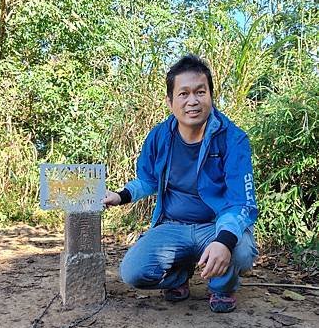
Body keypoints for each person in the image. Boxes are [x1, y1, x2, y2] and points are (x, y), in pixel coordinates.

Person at [103, 54, 258, 313]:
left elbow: (241, 201)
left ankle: (222, 286)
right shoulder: (159, 136)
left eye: (200, 92)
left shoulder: (233, 138)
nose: (192, 101)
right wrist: (121, 196)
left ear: (210, 95)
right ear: (170, 101)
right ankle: (180, 275)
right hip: (173, 226)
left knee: (239, 249)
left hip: (214, 225)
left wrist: (223, 240)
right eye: (183, 93)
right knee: (133, 272)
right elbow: (148, 179)